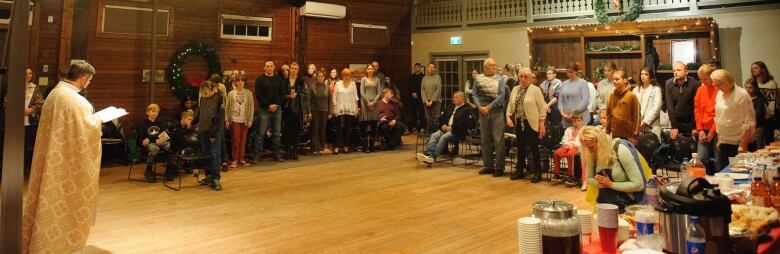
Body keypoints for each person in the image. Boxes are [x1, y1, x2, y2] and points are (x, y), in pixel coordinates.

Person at [22, 61, 102, 253]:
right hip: (66, 166)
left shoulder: (56, 93)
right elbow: (85, 132)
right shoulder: (76, 101)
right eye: (89, 81)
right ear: (82, 79)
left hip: (52, 156)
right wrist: (98, 121)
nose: (88, 84)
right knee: (63, 204)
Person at [580, 126, 645, 211]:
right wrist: (601, 183)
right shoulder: (591, 153)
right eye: (586, 148)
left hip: (626, 206)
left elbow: (639, 185)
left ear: (600, 142)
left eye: (591, 147)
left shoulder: (620, 149)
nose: (589, 151)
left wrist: (610, 184)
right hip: (604, 204)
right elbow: (589, 178)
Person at [506, 67, 547, 182]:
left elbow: (542, 108)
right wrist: (508, 117)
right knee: (521, 147)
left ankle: (537, 173)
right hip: (519, 121)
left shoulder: (535, 90)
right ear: (518, 77)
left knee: (534, 148)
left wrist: (542, 124)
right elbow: (510, 104)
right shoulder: (515, 89)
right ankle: (520, 171)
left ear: (530, 78)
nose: (523, 79)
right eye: (521, 76)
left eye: (526, 77)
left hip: (531, 122)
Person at [714, 69, 755, 170]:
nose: (717, 87)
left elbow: (748, 122)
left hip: (738, 142)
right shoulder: (720, 94)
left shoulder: (741, 95)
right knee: (725, 173)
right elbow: (719, 117)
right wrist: (720, 139)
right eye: (715, 84)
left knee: (738, 173)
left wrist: (743, 145)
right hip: (725, 141)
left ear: (728, 81)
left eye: (719, 84)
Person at [417, 91, 474, 164]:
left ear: (462, 99)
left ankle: (432, 156)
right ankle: (427, 154)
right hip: (446, 128)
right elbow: (442, 117)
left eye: (456, 97)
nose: (454, 99)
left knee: (444, 137)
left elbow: (465, 123)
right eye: (454, 97)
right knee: (434, 135)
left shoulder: (467, 109)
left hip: (457, 131)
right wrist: (443, 124)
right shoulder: (450, 107)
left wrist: (453, 127)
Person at [472, 58, 507, 177]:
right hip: (482, 112)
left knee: (498, 140)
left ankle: (499, 167)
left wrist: (489, 107)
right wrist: (479, 107)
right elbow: (474, 94)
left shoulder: (500, 79)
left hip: (496, 112)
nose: (495, 67)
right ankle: (488, 166)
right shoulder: (478, 78)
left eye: (495, 65)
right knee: (485, 140)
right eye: (492, 65)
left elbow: (502, 96)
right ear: (485, 67)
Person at [253, 60, 287, 162]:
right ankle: (256, 156)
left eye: (271, 66)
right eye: (267, 66)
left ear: (274, 67)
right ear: (264, 68)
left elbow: (282, 94)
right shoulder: (260, 79)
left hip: (277, 109)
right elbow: (259, 95)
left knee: (277, 133)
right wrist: (268, 105)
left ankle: (276, 155)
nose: (269, 68)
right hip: (264, 110)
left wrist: (276, 105)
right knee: (261, 133)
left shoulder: (278, 79)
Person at [196, 81, 225, 190]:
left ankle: (216, 178)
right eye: (203, 93)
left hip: (214, 131)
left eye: (207, 93)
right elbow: (200, 112)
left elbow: (219, 117)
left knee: (214, 154)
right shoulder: (203, 97)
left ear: (213, 89)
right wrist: (193, 122)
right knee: (205, 153)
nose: (205, 95)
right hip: (203, 130)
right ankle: (208, 176)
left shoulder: (220, 98)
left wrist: (213, 132)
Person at [693, 64, 719, 175]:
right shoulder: (700, 90)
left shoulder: (719, 90)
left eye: (705, 79)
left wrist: (713, 131)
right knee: (702, 157)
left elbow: (720, 114)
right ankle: (705, 180)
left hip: (717, 129)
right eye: (701, 79)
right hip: (704, 129)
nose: (702, 81)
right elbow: (697, 111)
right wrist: (700, 129)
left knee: (719, 160)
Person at [665, 61, 700, 139]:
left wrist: (694, 127)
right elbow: (670, 106)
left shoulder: (694, 84)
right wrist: (674, 126)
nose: (676, 72)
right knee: (676, 146)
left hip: (691, 122)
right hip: (676, 121)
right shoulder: (669, 84)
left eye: (679, 70)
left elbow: (696, 106)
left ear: (686, 72)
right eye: (674, 70)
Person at [136, 103, 171, 182]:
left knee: (169, 146)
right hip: (150, 144)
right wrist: (153, 139)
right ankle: (148, 170)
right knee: (154, 148)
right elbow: (142, 140)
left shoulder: (160, 123)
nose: (155, 113)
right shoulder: (142, 124)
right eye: (153, 111)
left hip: (159, 141)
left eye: (157, 112)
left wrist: (159, 139)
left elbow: (165, 135)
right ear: (147, 112)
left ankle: (170, 169)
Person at [225, 74, 254, 167]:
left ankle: (242, 159)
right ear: (235, 82)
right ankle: (234, 160)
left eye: (242, 80)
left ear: (244, 82)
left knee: (243, 141)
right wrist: (227, 120)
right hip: (234, 119)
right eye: (238, 80)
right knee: (235, 140)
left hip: (245, 120)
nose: (240, 82)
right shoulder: (231, 93)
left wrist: (250, 119)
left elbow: (251, 107)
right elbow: (227, 107)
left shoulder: (249, 93)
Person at [747, 61, 778, 144]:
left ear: (763, 69)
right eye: (752, 68)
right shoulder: (752, 83)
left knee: (769, 140)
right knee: (757, 143)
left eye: (756, 68)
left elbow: (772, 102)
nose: (753, 70)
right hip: (756, 117)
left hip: (767, 117)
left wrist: (767, 116)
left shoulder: (771, 83)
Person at [606, 70, 640, 142]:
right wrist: (607, 132)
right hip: (614, 134)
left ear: (625, 80)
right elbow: (608, 116)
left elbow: (637, 117)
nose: (614, 81)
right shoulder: (610, 97)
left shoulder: (631, 96)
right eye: (613, 79)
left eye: (617, 79)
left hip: (629, 136)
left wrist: (635, 135)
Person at [305, 70, 332, 155]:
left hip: (324, 111)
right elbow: (308, 100)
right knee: (314, 129)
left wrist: (330, 112)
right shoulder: (312, 87)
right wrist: (309, 112)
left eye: (322, 76)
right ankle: (314, 148)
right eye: (319, 76)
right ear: (316, 78)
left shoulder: (327, 87)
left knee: (322, 129)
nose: (320, 78)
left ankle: (321, 147)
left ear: (324, 78)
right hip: (314, 111)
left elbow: (330, 100)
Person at [552, 113, 584, 185]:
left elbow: (581, 141)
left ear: (582, 121)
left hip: (577, 147)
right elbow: (564, 138)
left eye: (579, 121)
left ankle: (571, 176)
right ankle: (557, 174)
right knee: (556, 153)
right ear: (572, 122)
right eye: (575, 121)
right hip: (567, 145)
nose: (577, 123)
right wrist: (566, 144)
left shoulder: (583, 130)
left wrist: (572, 145)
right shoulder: (568, 129)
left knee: (570, 155)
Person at [282, 62, 306, 160]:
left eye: (296, 69)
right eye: (292, 68)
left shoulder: (301, 81)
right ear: (289, 69)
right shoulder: (284, 81)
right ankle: (288, 151)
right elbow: (281, 94)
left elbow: (305, 94)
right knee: (287, 131)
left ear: (298, 70)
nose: (293, 70)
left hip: (297, 110)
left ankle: (295, 152)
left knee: (296, 132)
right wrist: (288, 96)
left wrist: (298, 96)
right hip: (286, 109)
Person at [23, 68, 44, 171]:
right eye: (26, 73)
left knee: (27, 146)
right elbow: (7, 102)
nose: (28, 75)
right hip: (16, 122)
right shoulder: (14, 86)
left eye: (30, 73)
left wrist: (32, 110)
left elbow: (40, 103)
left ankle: (25, 168)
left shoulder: (35, 88)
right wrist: (20, 111)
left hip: (30, 122)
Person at [333, 68, 359, 154]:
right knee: (340, 127)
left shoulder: (353, 84)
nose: (346, 77)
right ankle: (336, 146)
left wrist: (356, 108)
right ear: (342, 75)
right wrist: (334, 107)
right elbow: (335, 97)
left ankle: (346, 146)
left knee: (348, 128)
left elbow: (356, 97)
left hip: (350, 109)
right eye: (344, 75)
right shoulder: (338, 84)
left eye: (348, 75)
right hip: (340, 108)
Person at [558, 62, 591, 128]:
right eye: (567, 72)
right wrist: (563, 113)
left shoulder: (583, 83)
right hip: (566, 118)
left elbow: (585, 101)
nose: (569, 74)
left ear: (576, 72)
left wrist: (573, 114)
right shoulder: (564, 83)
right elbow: (560, 100)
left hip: (580, 118)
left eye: (571, 72)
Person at [633, 67, 663, 139]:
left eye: (646, 74)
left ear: (650, 76)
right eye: (641, 74)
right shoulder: (635, 90)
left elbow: (656, 109)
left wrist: (644, 122)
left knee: (653, 147)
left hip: (652, 125)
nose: (643, 76)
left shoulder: (656, 89)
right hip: (638, 125)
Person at [360, 64, 384, 153]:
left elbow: (379, 93)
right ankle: (365, 146)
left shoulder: (377, 80)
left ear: (373, 70)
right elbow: (362, 92)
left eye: (371, 68)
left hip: (375, 104)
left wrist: (373, 102)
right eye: (368, 69)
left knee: (374, 125)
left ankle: (372, 146)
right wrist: (368, 102)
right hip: (365, 104)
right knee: (364, 126)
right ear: (366, 70)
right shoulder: (363, 79)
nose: (370, 70)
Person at [745, 81, 767, 151]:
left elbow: (757, 115)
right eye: (746, 87)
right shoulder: (743, 99)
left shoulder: (759, 100)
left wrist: (747, 116)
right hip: (745, 128)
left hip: (757, 128)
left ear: (755, 88)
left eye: (750, 88)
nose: (747, 90)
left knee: (758, 149)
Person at [421, 63, 443, 131]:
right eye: (430, 67)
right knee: (428, 117)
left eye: (433, 67)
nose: (431, 68)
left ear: (435, 69)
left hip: (436, 101)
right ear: (428, 68)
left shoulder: (438, 78)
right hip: (426, 101)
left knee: (436, 118)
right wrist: (426, 100)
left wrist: (432, 100)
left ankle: (436, 132)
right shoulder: (424, 78)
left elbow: (438, 89)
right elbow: (422, 89)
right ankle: (429, 132)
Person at [407, 63, 425, 133]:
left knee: (422, 113)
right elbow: (409, 87)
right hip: (412, 98)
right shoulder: (411, 77)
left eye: (418, 67)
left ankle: (422, 127)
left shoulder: (423, 77)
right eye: (415, 67)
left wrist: (417, 93)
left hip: (421, 98)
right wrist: (412, 93)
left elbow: (423, 88)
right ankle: (414, 127)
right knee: (413, 113)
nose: (416, 68)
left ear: (420, 68)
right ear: (414, 68)